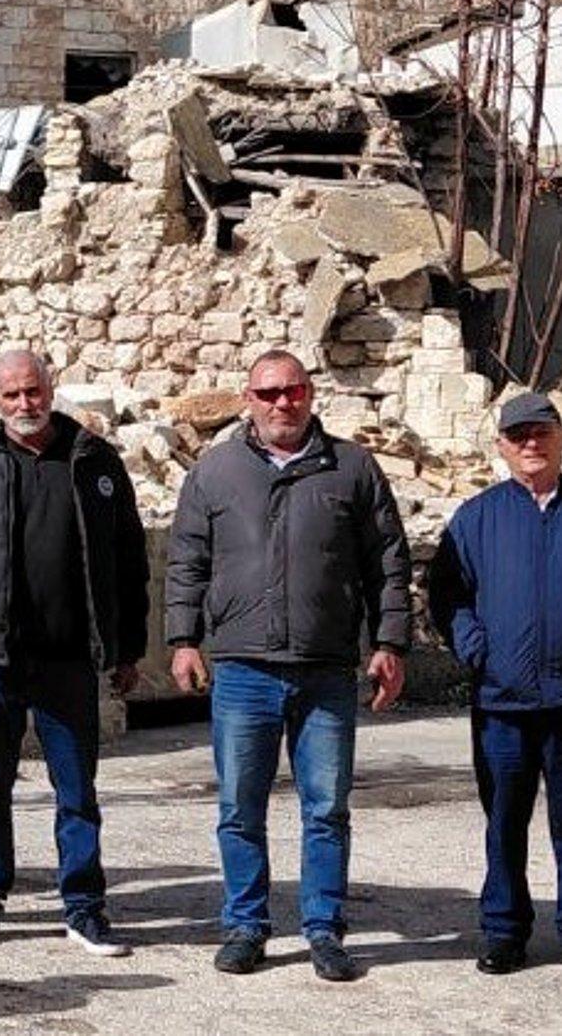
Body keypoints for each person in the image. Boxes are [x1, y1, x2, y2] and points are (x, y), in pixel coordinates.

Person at [165, 348, 411, 982]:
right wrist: (183, 640)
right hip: (243, 668)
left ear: (310, 394)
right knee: (240, 807)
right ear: (247, 399)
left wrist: (390, 643)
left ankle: (324, 928)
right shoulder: (215, 472)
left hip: (326, 668)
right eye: (269, 392)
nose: (282, 403)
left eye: (293, 391)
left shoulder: (353, 468)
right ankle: (246, 924)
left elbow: (387, 562)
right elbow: (186, 562)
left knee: (326, 808)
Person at [0, 349, 148, 954]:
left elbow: (129, 560)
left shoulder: (94, 461)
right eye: (13, 395)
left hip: (69, 660)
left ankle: (84, 906)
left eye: (34, 392)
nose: (26, 405)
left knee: (77, 793)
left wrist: (128, 650)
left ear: (51, 390)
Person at [427, 390, 562, 975]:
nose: (531, 443)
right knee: (504, 822)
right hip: (502, 703)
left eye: (542, 432)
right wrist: (475, 648)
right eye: (518, 435)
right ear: (502, 446)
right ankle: (504, 931)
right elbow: (448, 596)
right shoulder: (477, 517)